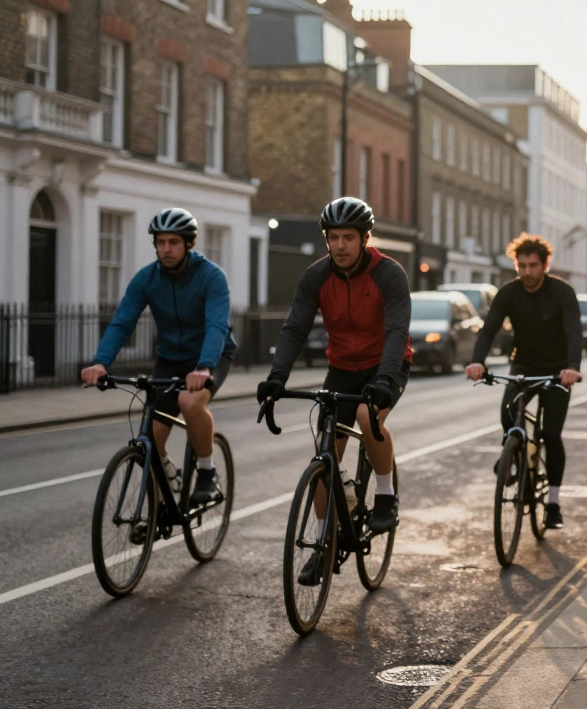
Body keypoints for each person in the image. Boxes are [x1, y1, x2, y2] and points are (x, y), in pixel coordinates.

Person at [258, 197, 412, 586]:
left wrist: (383, 383)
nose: (340, 245)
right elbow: (294, 328)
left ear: (364, 238)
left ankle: (385, 493)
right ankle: (324, 545)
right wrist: (278, 377)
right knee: (326, 457)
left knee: (366, 415)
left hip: (386, 365)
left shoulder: (389, 274)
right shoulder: (316, 276)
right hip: (342, 368)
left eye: (349, 237)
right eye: (334, 237)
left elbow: (396, 333)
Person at [81, 208, 236, 508]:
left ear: (188, 244)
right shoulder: (146, 279)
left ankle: (207, 471)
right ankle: (167, 483)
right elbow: (122, 322)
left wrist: (204, 367)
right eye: (161, 242)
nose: (166, 248)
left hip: (210, 355)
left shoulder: (211, 277)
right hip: (170, 358)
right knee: (149, 439)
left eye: (173, 242)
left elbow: (217, 325)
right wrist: (101, 362)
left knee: (189, 403)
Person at [465, 234, 582, 531]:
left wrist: (572, 367)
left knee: (552, 434)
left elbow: (574, 333)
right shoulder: (509, 293)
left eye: (533, 266)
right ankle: (515, 459)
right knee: (507, 414)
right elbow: (489, 330)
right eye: (522, 266)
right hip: (524, 364)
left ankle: (553, 502)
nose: (527, 272)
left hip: (557, 370)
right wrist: (478, 361)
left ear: (545, 265)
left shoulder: (562, 293)